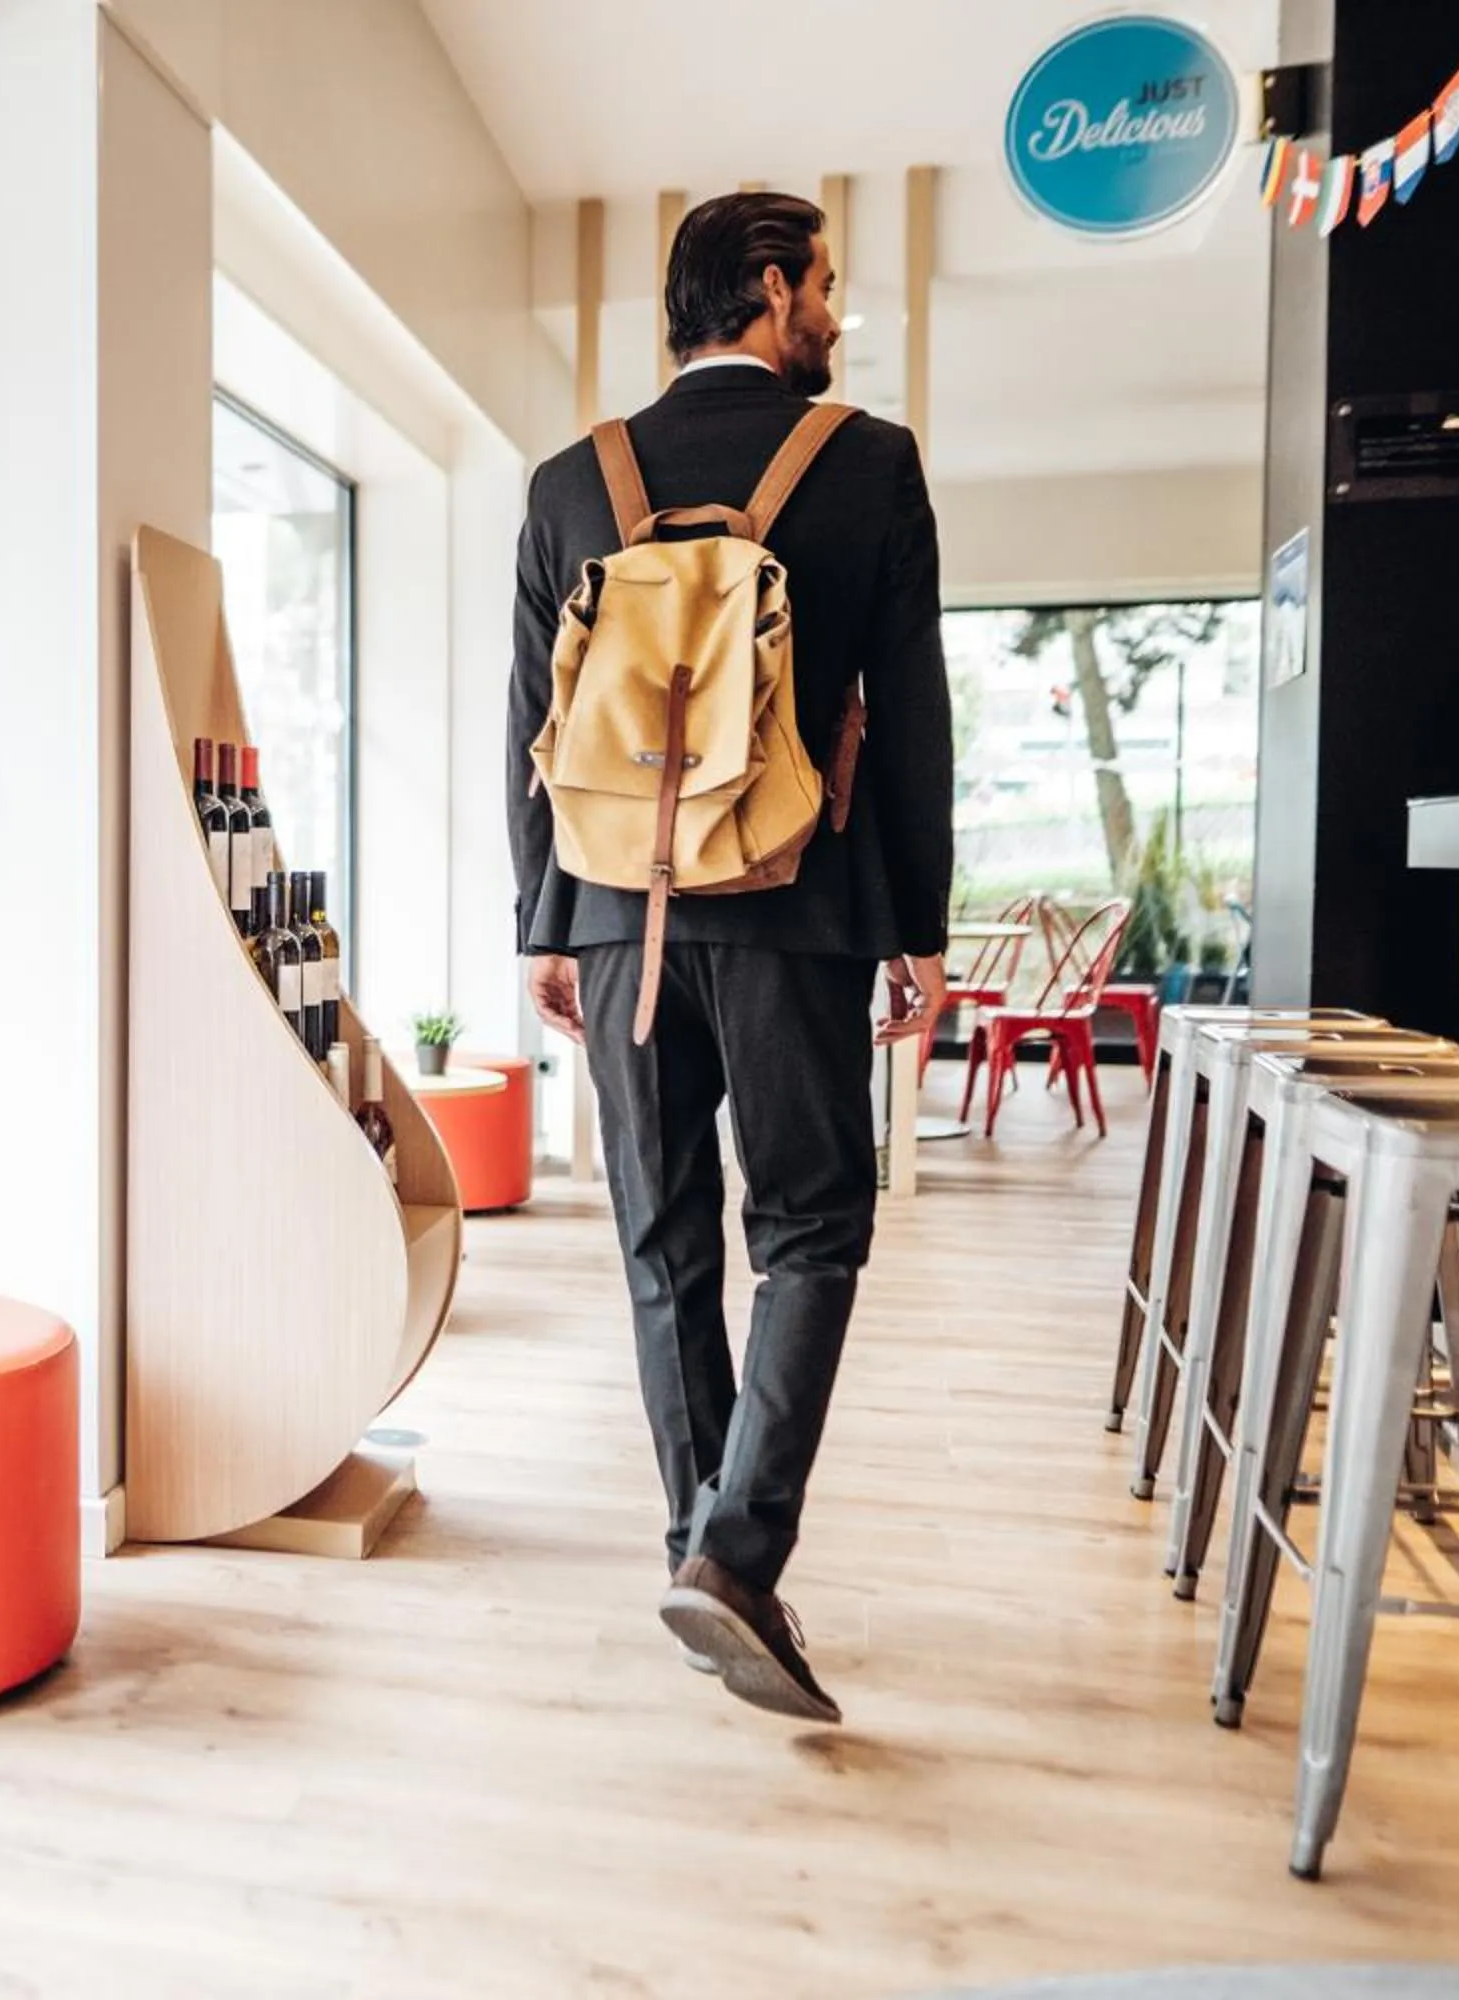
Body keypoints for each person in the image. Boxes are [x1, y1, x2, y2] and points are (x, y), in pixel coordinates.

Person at [507, 190, 953, 1726]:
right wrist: (920, 930)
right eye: (823, 285)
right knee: (815, 1228)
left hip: (621, 912)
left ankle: (699, 1541)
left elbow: (533, 730)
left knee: (663, 1237)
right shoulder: (870, 464)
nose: (833, 314)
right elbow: (911, 711)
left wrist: (541, 926)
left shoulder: (575, 481)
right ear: (770, 291)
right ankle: (737, 1556)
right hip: (795, 904)